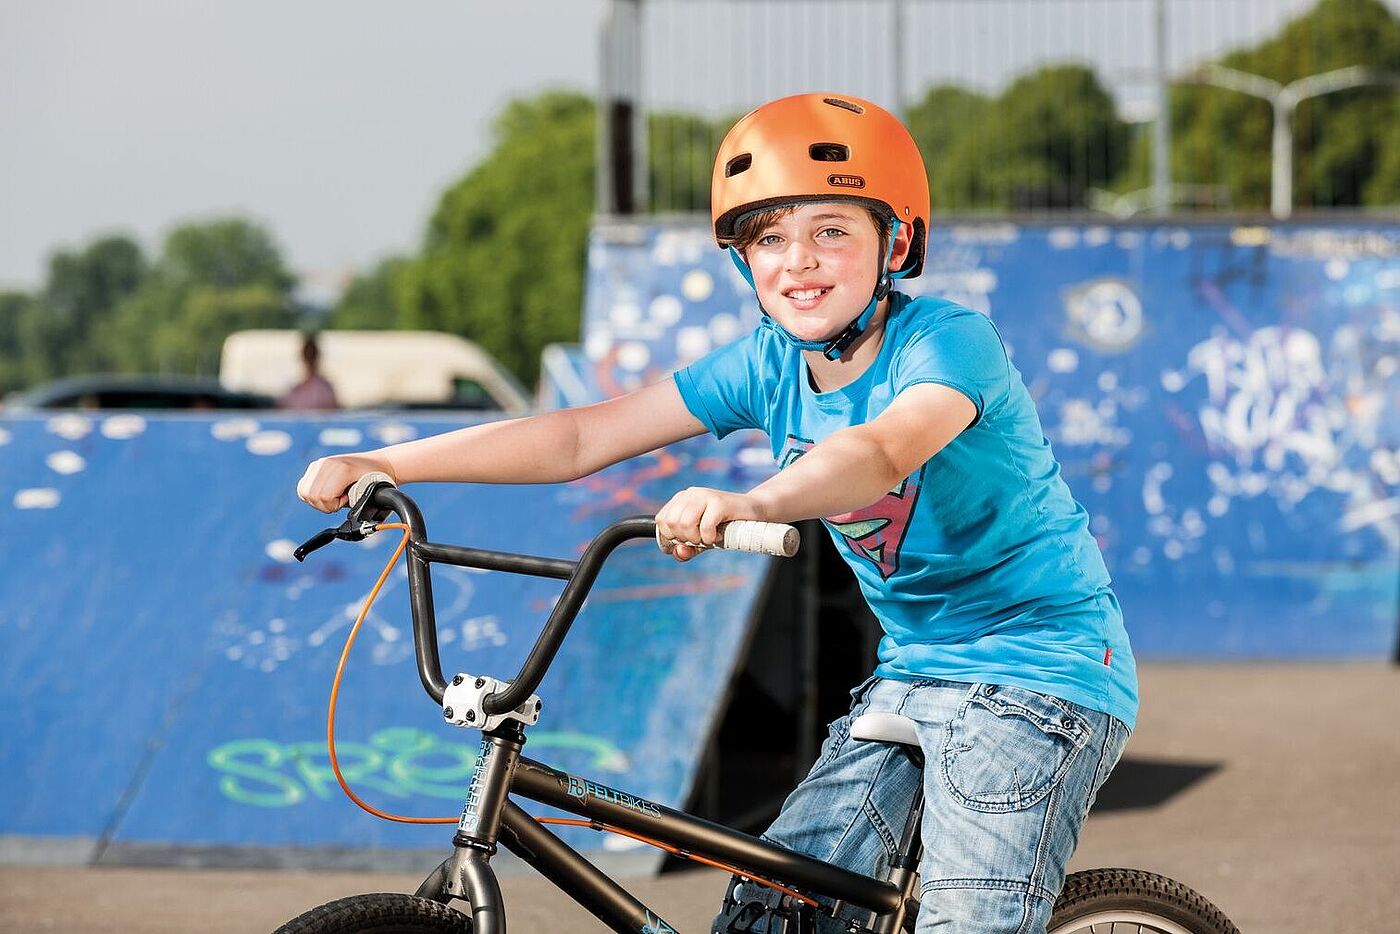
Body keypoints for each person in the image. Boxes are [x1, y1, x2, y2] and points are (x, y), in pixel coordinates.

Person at [296, 92, 1137, 934]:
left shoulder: (947, 343)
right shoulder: (767, 364)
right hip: (915, 668)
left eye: (831, 231)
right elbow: (581, 435)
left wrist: (754, 501)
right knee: (774, 913)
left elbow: (880, 452)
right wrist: (387, 462)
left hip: (1040, 670)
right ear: (745, 261)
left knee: (970, 920)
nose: (798, 261)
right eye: (769, 238)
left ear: (898, 241)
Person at [279, 333, 340, 410]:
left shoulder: (326, 389)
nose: (310, 357)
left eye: (312, 354)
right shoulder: (293, 389)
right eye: (307, 353)